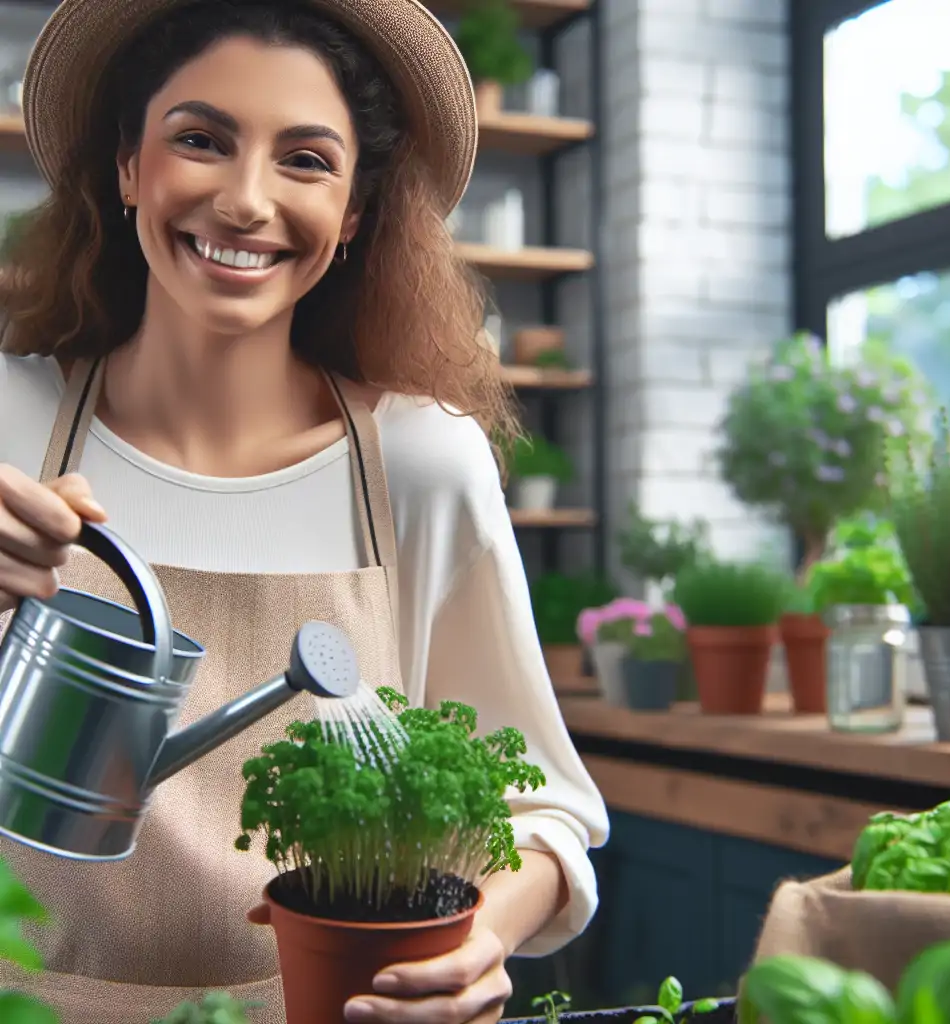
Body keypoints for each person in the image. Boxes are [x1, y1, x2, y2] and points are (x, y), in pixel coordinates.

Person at [0, 1, 610, 1021]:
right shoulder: (10, 422)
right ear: (126, 167)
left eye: (306, 160)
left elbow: (542, 811)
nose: (245, 200)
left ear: (358, 210)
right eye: (200, 140)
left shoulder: (420, 463)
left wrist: (478, 944)